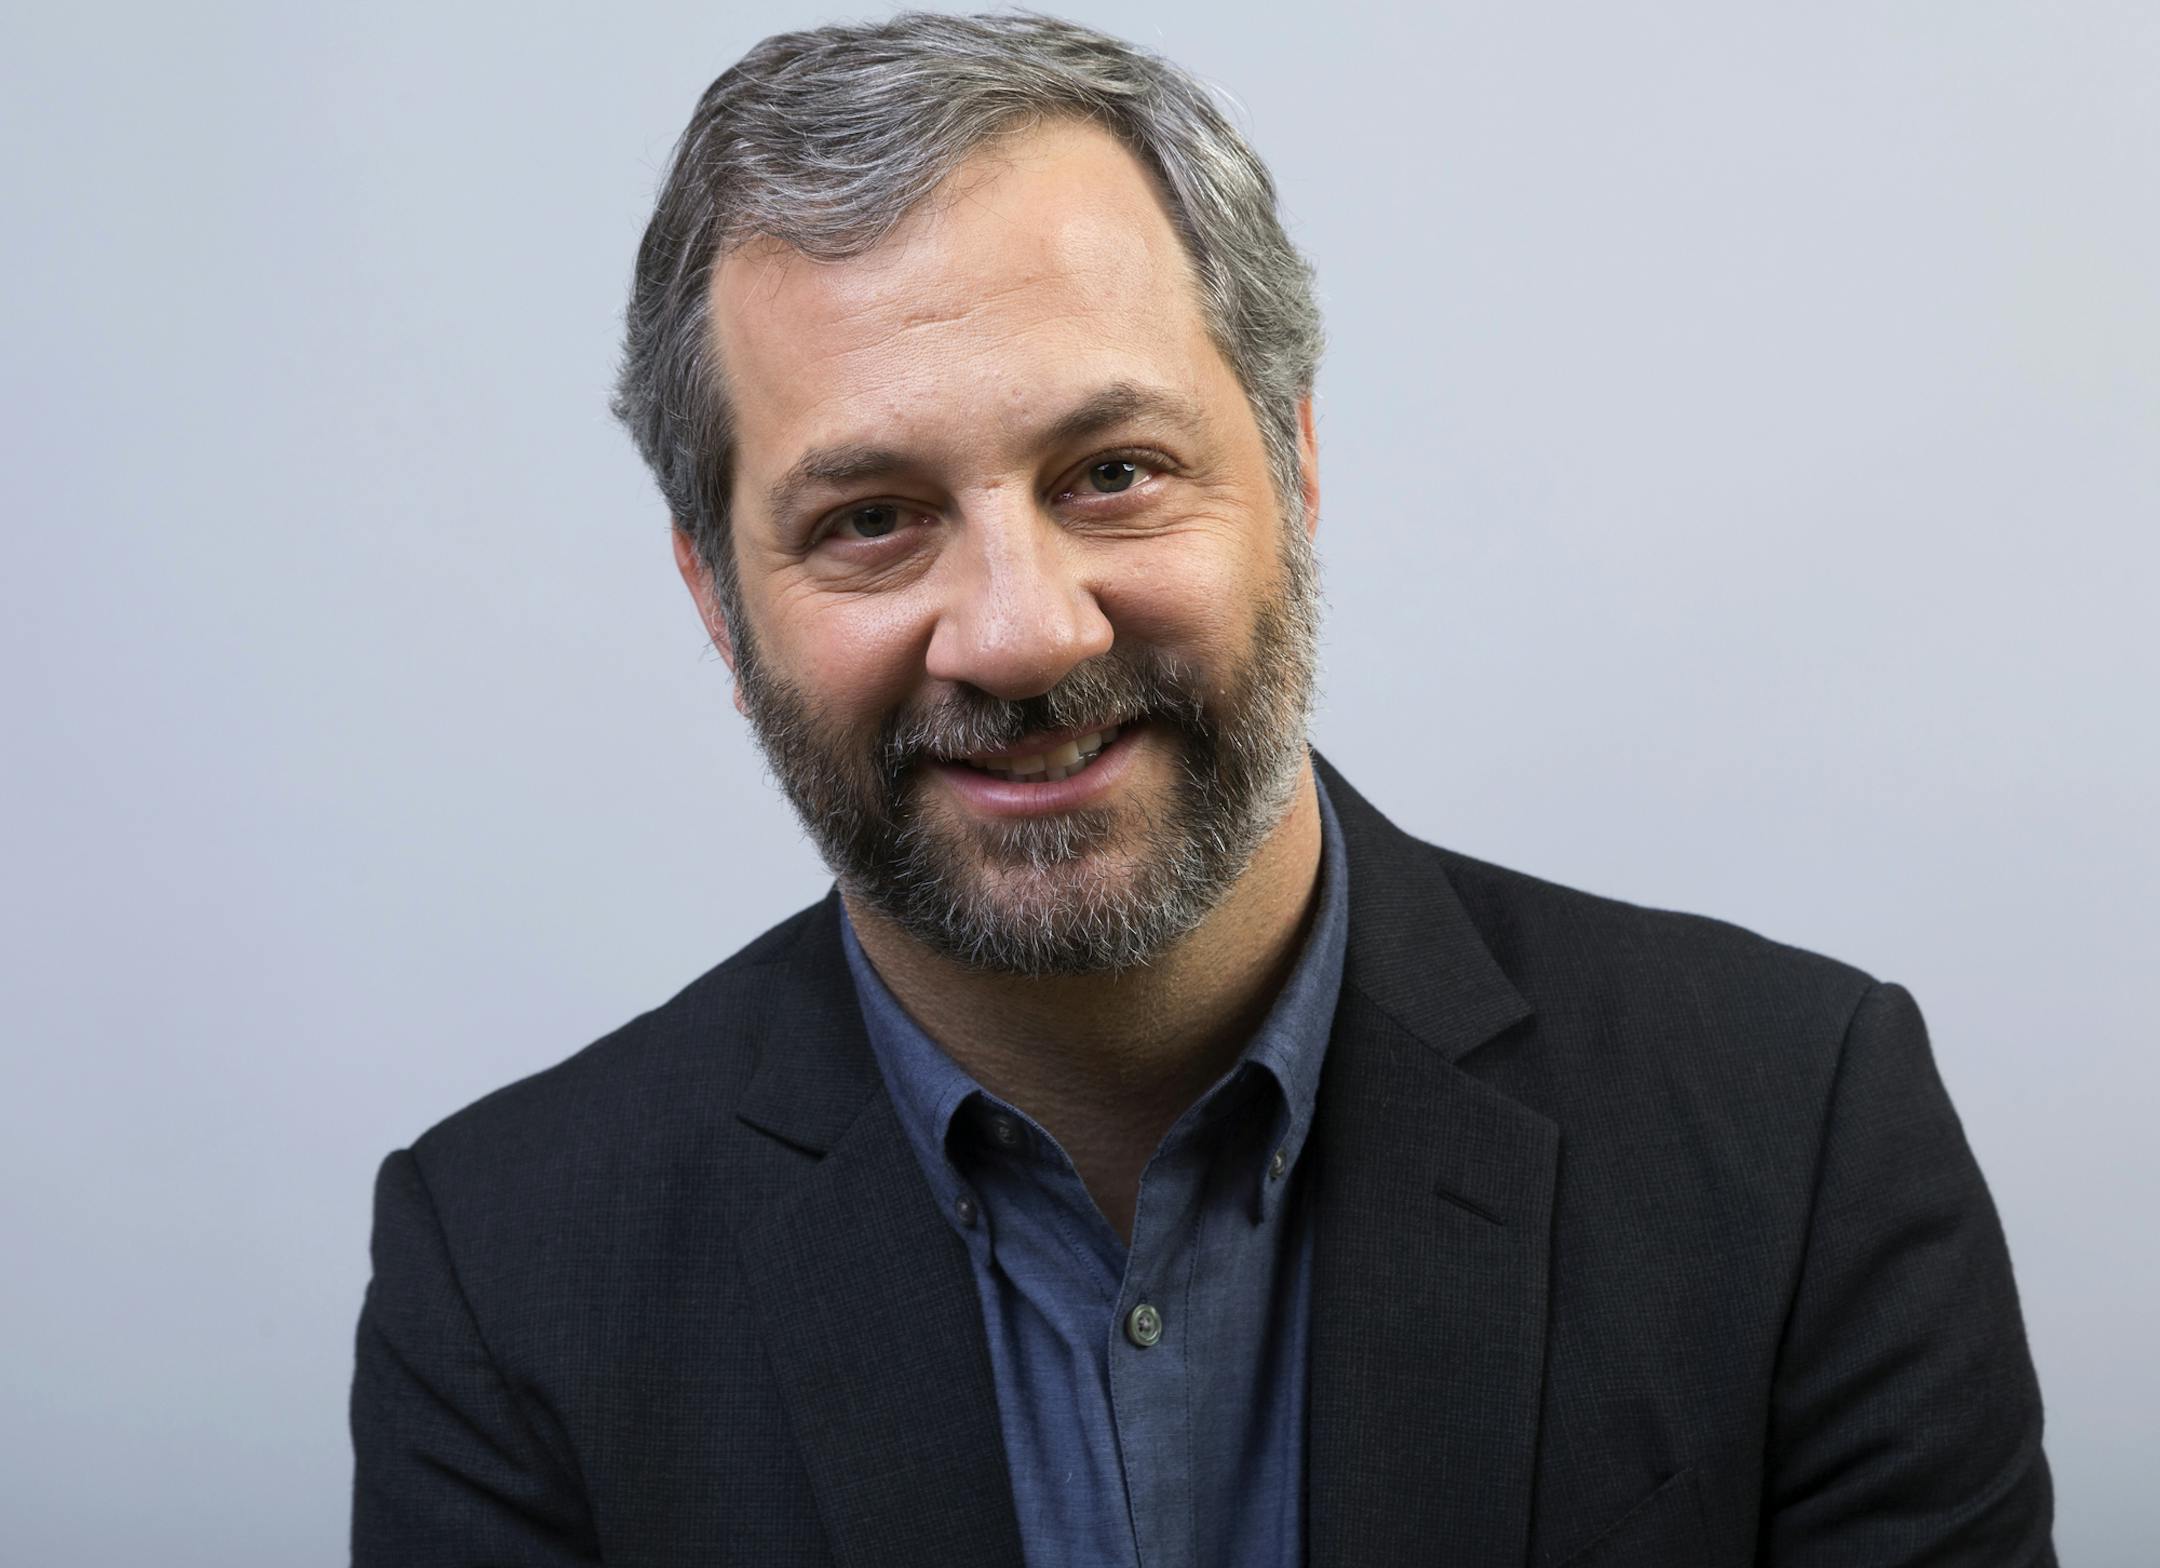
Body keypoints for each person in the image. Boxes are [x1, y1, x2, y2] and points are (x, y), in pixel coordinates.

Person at [349, 13, 2055, 1565]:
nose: (1019, 636)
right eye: (869, 518)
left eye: (1112, 473)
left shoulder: (1798, 1134)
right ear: (719, 600)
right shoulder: (503, 1281)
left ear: (1296, 467)